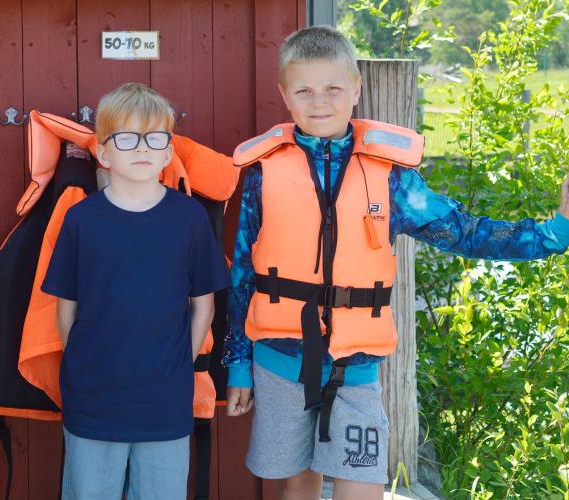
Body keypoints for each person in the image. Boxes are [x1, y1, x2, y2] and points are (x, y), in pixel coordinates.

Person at [223, 26, 569, 500]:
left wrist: (555, 232)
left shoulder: (391, 178)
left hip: (357, 364)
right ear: (285, 95)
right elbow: (243, 273)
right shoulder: (264, 172)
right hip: (279, 360)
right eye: (304, 90)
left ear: (356, 89)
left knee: (361, 487)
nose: (318, 101)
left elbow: (464, 231)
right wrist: (238, 363)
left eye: (333, 89)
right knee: (297, 486)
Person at [40, 83, 230, 500]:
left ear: (167, 151)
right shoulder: (81, 220)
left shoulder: (189, 218)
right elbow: (65, 309)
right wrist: (87, 366)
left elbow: (203, 305)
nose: (142, 148)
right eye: (126, 138)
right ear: (104, 153)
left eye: (155, 138)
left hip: (165, 398)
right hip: (93, 397)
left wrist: (181, 361)